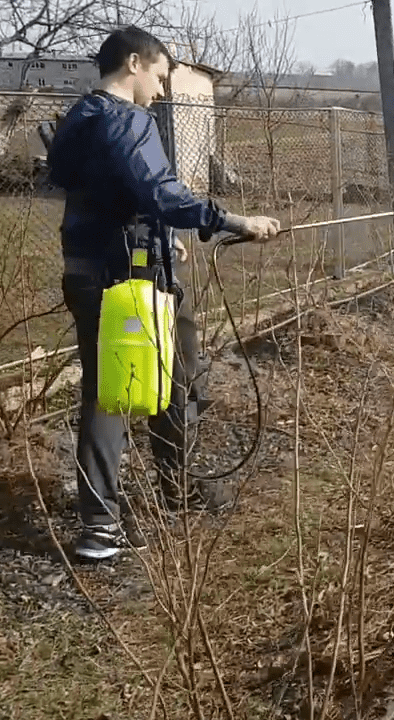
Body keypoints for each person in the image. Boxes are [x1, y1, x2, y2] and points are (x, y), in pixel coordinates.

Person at [47, 26, 281, 561]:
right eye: (159, 75)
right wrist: (233, 220)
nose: (162, 89)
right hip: (126, 279)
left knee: (118, 383)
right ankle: (122, 517)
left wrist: (160, 234)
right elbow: (159, 191)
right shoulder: (125, 119)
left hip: (89, 268)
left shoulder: (79, 118)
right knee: (156, 377)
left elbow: (111, 191)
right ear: (135, 63)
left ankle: (135, 508)